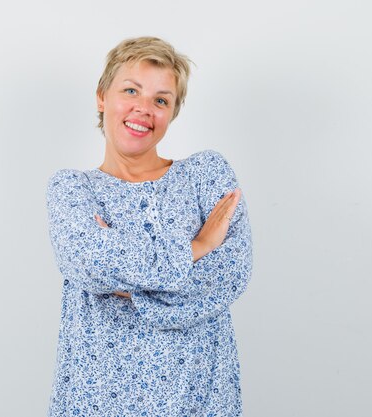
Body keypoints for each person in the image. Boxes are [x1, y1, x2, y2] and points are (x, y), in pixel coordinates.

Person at [45, 36, 253, 416]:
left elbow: (231, 274)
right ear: (101, 97)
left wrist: (132, 289)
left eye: (161, 100)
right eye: (131, 90)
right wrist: (199, 246)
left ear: (172, 112)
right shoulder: (72, 188)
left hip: (201, 397)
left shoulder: (205, 174)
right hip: (100, 400)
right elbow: (90, 264)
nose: (144, 109)